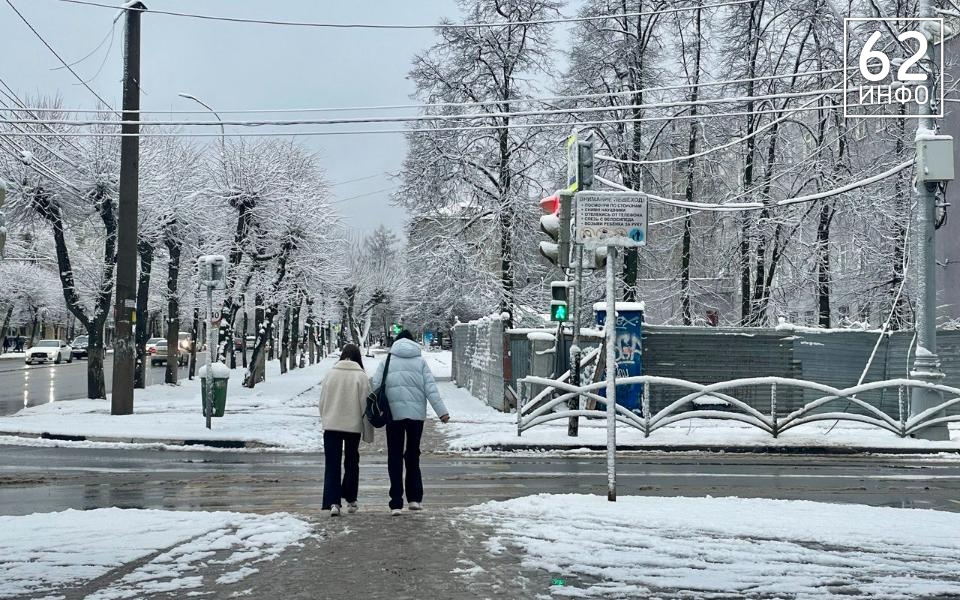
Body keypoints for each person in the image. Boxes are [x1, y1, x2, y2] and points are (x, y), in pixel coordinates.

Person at [371, 329, 449, 516]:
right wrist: (442, 413)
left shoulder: (387, 361)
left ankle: (396, 502)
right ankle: (414, 499)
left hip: (393, 415)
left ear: (396, 342)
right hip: (416, 417)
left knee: (395, 456)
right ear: (413, 342)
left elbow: (375, 386)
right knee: (413, 455)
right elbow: (431, 389)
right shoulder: (420, 362)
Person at [319, 343, 373, 517]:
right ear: (358, 358)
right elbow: (366, 406)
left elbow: (322, 402)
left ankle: (333, 502)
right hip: (353, 427)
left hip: (332, 425)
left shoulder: (330, 374)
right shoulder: (361, 377)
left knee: (332, 464)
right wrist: (368, 432)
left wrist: (325, 418)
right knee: (351, 462)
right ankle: (351, 498)